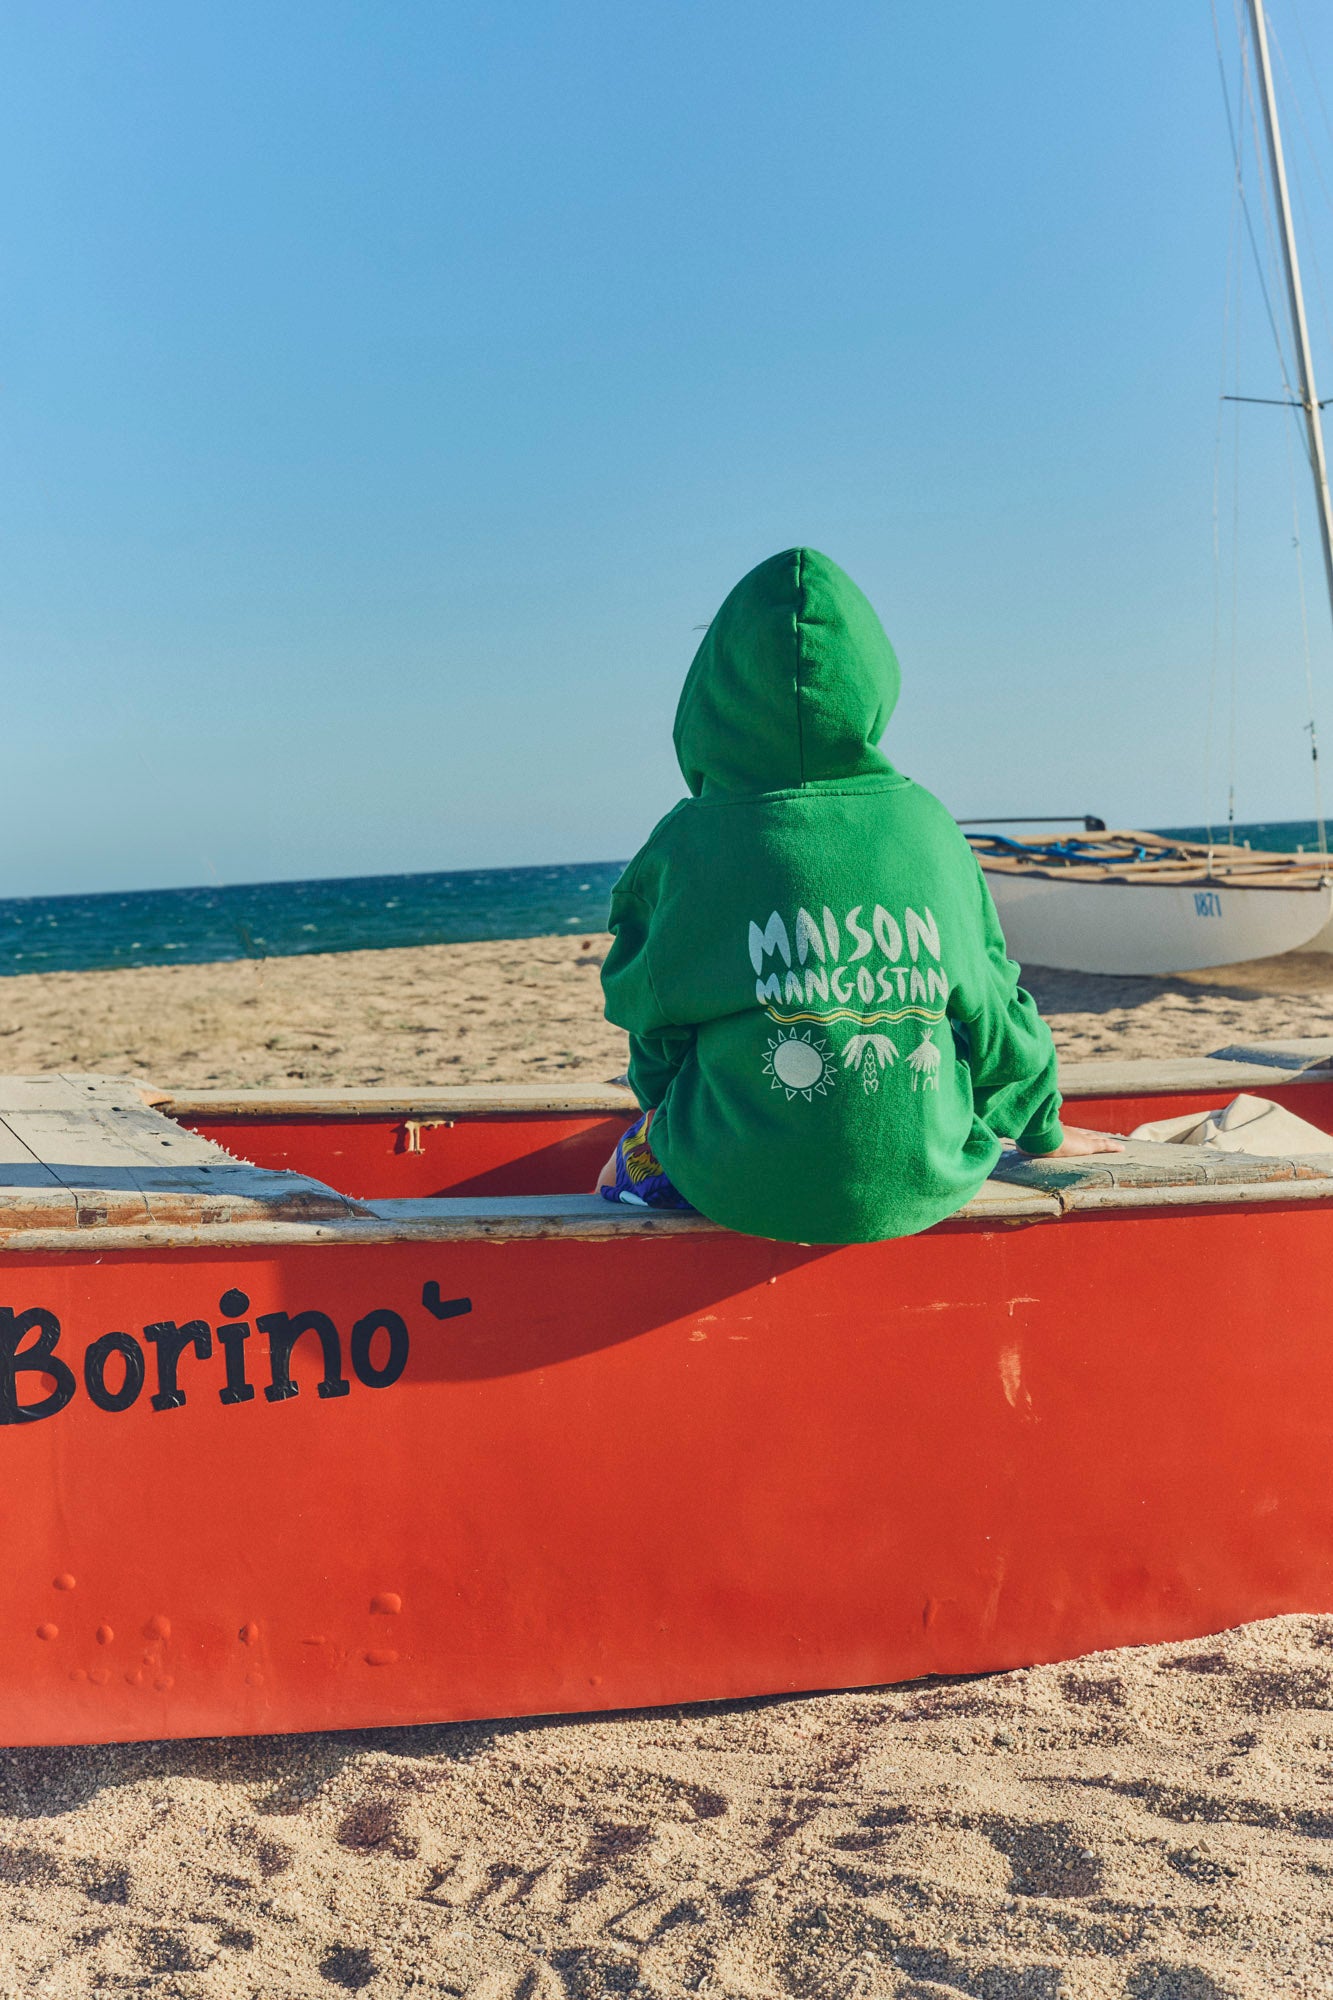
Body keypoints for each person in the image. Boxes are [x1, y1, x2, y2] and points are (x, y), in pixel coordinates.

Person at [595, 548, 1121, 1242]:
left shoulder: (684, 841)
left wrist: (661, 1102)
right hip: (926, 1179)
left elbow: (646, 1007)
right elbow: (994, 1005)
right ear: (871, 677)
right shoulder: (926, 824)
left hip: (736, 1183)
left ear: (711, 692)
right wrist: (1042, 1131)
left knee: (616, 1172)